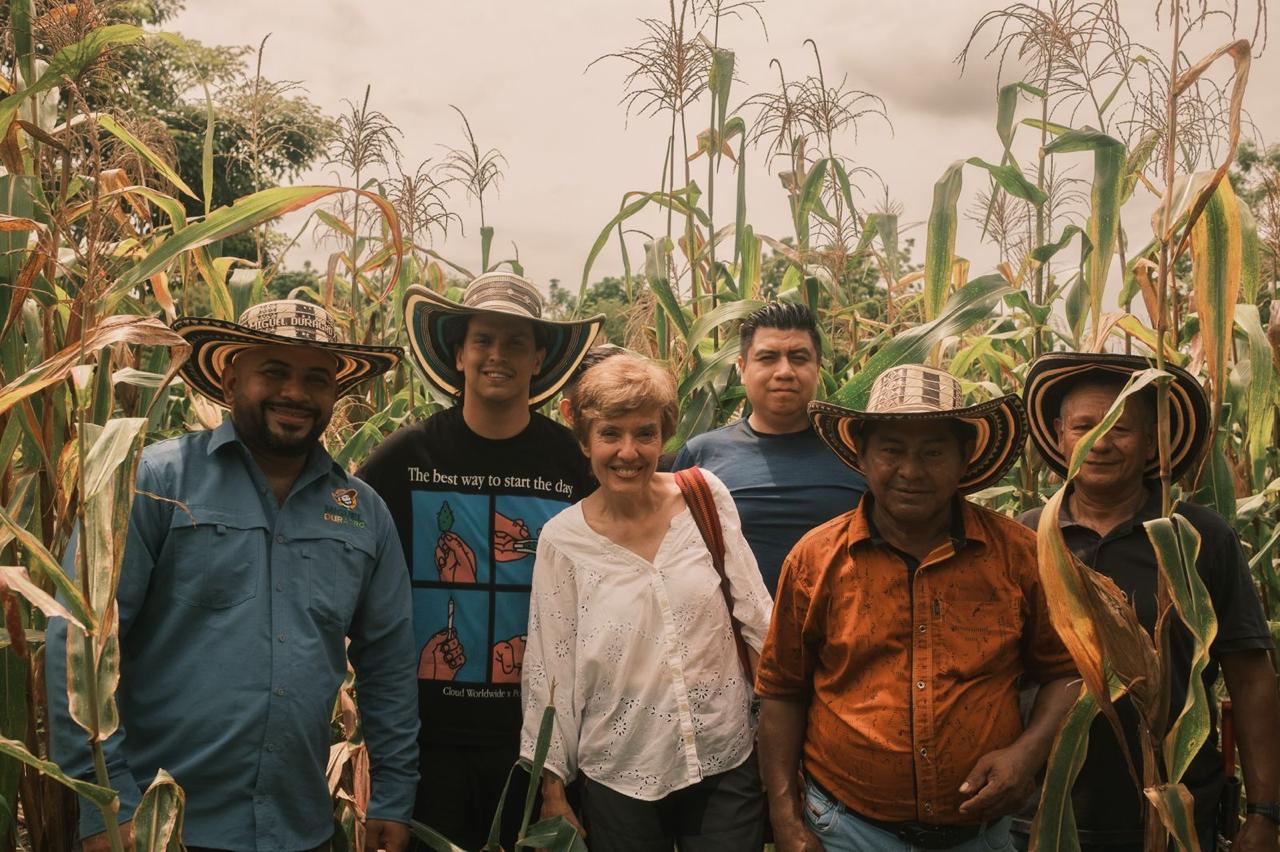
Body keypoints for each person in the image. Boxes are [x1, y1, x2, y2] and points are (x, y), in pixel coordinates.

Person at [47, 300, 418, 852]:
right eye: (273, 371)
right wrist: (107, 806)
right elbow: (79, 643)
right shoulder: (154, 481)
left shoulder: (363, 511)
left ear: (334, 395)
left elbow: (388, 665)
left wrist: (392, 794)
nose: (295, 392)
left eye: (316, 378)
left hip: (301, 828)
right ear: (229, 378)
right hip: (159, 828)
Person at [756, 364, 1079, 852]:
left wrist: (1026, 755)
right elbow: (781, 691)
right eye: (892, 450)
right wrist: (785, 820)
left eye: (932, 452)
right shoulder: (816, 558)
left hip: (979, 837)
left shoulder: (1018, 555)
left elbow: (1067, 671)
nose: (911, 471)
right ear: (863, 456)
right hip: (847, 831)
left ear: (964, 458)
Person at [356, 273, 605, 850]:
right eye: (484, 340)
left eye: (516, 343)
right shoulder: (405, 458)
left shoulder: (571, 462)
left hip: (536, 744)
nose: (499, 355)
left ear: (539, 357)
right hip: (425, 738)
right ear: (459, 352)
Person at [1015, 352, 1279, 852]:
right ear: (1059, 433)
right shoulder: (1025, 537)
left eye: (1121, 427)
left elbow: (1250, 674)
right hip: (1040, 819)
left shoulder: (1196, 536)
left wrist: (1266, 811)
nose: (1101, 442)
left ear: (1154, 438)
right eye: (1084, 425)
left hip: (1174, 819)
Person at [521, 352, 774, 851]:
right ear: (585, 437)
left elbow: (757, 620)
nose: (628, 452)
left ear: (665, 435)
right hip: (620, 769)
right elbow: (550, 670)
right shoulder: (562, 540)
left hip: (725, 757)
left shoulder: (704, 497)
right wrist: (552, 789)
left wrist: (780, 745)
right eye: (611, 433)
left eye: (645, 433)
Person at [672, 302, 866, 594]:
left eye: (799, 358)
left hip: (842, 635)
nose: (785, 371)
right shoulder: (701, 457)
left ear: (818, 368)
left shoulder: (857, 453)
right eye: (768, 358)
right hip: (736, 638)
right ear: (742, 368)